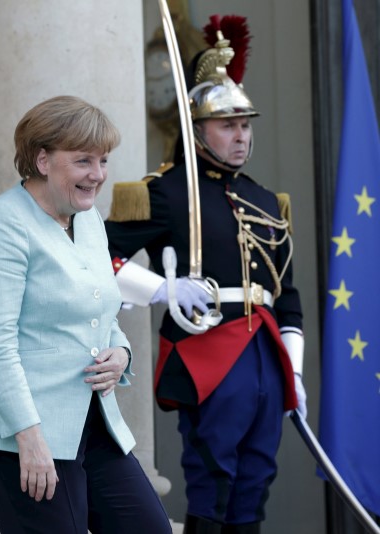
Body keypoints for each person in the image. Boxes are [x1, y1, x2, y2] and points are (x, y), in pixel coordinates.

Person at [105, 18, 306, 534]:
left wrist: (296, 371)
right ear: (197, 131)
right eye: (227, 126)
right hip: (208, 349)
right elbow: (97, 258)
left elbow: (287, 295)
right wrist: (160, 290)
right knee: (214, 475)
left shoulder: (266, 200)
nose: (241, 136)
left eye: (246, 125)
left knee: (257, 479)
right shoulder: (167, 192)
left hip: (265, 353)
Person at [0, 95, 172, 533]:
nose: (98, 175)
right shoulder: (1, 225)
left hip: (91, 422)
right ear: (43, 159)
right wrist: (29, 439)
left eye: (103, 160)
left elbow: (102, 308)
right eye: (84, 161)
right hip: (18, 432)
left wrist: (121, 353)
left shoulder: (87, 220)